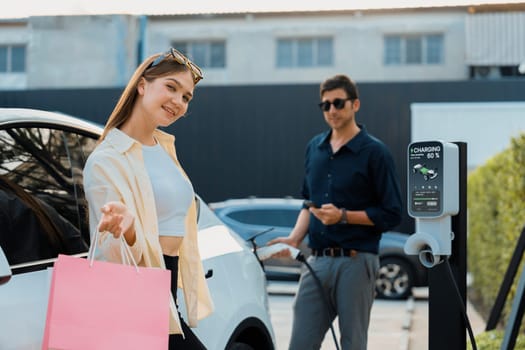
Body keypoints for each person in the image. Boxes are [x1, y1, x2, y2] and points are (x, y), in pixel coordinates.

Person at [83, 48, 214, 349]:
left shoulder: (164, 149)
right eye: (171, 87)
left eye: (186, 97)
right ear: (142, 85)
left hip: (167, 294)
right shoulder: (108, 159)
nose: (178, 102)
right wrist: (127, 229)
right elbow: (110, 254)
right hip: (133, 302)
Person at [269, 74, 402, 350]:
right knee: (300, 344)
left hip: (357, 261)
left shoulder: (375, 153)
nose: (331, 110)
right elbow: (309, 202)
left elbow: (391, 213)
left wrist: (344, 216)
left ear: (355, 105)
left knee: (353, 344)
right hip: (316, 261)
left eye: (338, 103)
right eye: (325, 105)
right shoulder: (314, 148)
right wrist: (294, 239)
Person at [0, 175, 88, 270]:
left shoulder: (8, 201)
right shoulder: (20, 196)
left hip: (36, 279)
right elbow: (76, 243)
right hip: (72, 274)